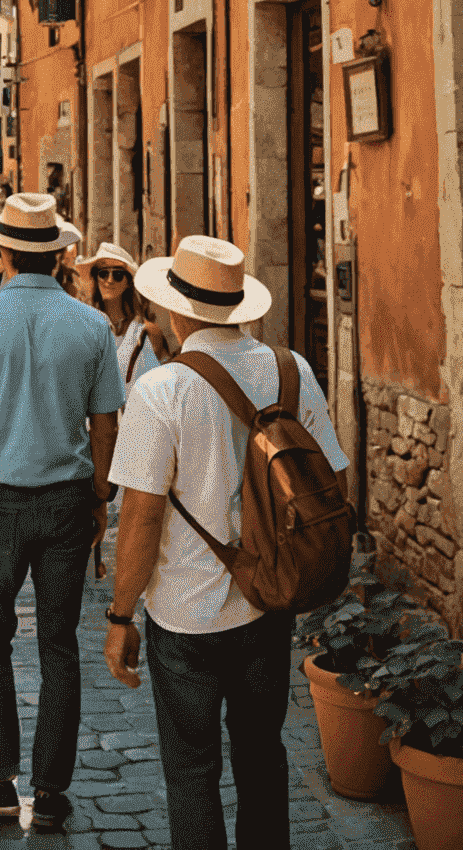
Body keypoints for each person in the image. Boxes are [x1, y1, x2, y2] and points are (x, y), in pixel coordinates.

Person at [104, 236, 350, 850]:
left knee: (191, 770)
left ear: (178, 310)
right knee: (263, 757)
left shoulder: (160, 390)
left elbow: (139, 518)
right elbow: (334, 481)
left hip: (185, 613)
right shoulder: (293, 371)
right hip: (268, 600)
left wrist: (120, 613)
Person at [0, 193, 125, 831]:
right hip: (68, 501)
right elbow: (106, 424)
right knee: (59, 645)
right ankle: (50, 791)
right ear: (62, 253)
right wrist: (101, 495)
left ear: (3, 251)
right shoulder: (92, 326)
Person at [76, 242, 170, 395]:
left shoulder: (147, 332)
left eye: (118, 275)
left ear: (128, 282)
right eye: (103, 273)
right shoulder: (83, 328)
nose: (110, 280)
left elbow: (165, 384)